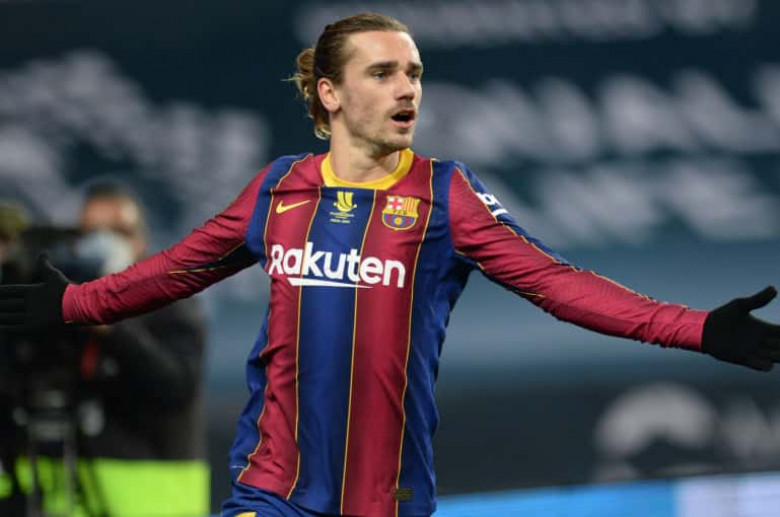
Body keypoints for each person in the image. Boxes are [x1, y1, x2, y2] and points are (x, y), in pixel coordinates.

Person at [1, 12, 779, 517]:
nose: (407, 88)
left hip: (388, 498)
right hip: (272, 488)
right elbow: (174, 268)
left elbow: (558, 284)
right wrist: (71, 304)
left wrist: (697, 327)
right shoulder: (277, 188)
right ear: (331, 93)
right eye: (383, 73)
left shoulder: (447, 195)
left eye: (414, 73)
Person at [2, 185, 210, 516]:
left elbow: (176, 386)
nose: (103, 242)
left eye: (119, 231)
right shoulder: (57, 306)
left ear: (140, 241)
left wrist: (109, 325)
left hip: (150, 507)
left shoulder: (172, 302)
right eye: (91, 232)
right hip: (56, 500)